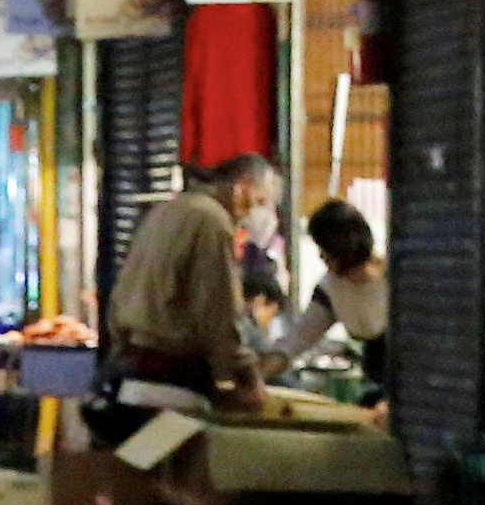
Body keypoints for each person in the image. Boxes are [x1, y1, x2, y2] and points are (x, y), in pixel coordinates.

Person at [109, 149, 280, 419]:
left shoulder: (165, 211)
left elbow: (121, 294)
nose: (257, 213)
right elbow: (218, 309)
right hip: (175, 381)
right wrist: (247, 376)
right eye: (259, 200)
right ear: (241, 189)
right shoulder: (212, 221)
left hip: (132, 372)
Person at [267, 200, 387, 395]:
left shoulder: (397, 279)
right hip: (375, 386)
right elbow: (297, 341)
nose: (321, 257)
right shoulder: (331, 288)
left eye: (324, 249)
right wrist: (259, 371)